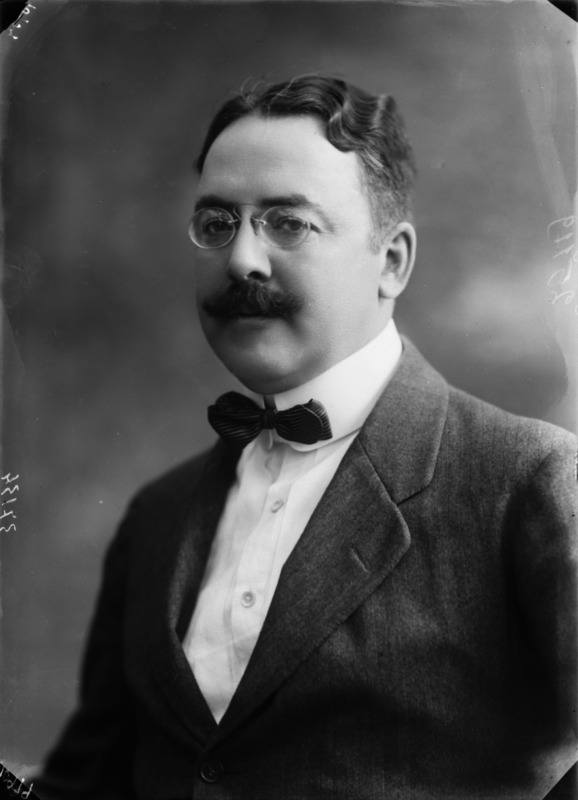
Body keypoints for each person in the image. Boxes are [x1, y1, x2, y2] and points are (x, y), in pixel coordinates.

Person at [35, 75, 577, 800]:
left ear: (392, 261)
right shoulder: (157, 516)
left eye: (288, 223)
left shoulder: (529, 480)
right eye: (217, 223)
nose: (242, 261)